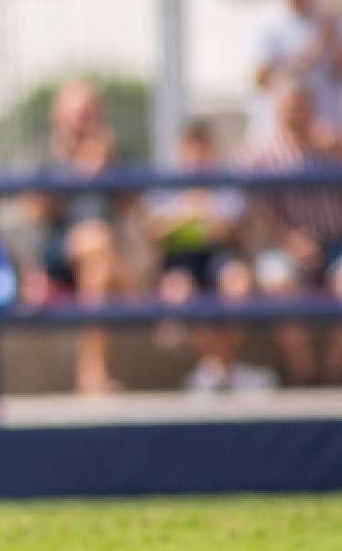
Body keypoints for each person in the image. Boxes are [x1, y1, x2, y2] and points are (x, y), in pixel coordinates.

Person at [20, 78, 134, 394]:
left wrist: (110, 170)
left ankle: (92, 375)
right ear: (57, 116)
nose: (82, 121)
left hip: (102, 258)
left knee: (99, 267)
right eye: (76, 113)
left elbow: (134, 211)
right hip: (57, 253)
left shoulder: (112, 152)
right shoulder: (43, 155)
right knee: (96, 238)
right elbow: (35, 213)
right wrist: (81, 174)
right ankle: (138, 294)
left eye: (89, 113)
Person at [141, 121, 258, 393]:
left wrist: (206, 216)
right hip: (180, 262)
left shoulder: (226, 182)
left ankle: (216, 371)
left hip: (219, 259)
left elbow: (231, 230)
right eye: (190, 151)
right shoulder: (164, 185)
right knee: (180, 292)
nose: (196, 158)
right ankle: (225, 370)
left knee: (238, 282)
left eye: (201, 151)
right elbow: (154, 233)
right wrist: (186, 214)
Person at [246, 82, 342, 385]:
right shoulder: (263, 154)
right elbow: (261, 213)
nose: (297, 113)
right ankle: (303, 373)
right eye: (290, 107)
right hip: (286, 246)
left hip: (336, 243)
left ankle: (333, 373)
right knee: (278, 281)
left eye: (302, 106)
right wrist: (291, 242)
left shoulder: (331, 146)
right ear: (278, 111)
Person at [252, 0, 342, 142]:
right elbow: (261, 78)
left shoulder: (331, 22)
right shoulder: (267, 25)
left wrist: (333, 42)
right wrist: (313, 51)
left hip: (326, 141)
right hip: (279, 143)